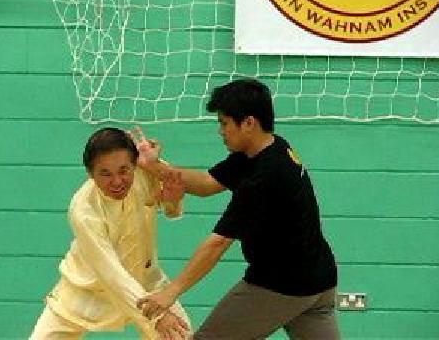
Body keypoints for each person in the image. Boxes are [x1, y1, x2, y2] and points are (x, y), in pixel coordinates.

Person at [135, 79, 340, 339]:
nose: (221, 131)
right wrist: (153, 166)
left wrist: (171, 291)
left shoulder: (263, 178)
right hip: (319, 284)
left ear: (249, 123)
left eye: (224, 123)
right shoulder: (271, 148)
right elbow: (207, 183)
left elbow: (217, 244)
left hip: (281, 286)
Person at [30, 127, 191, 340]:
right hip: (86, 292)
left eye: (124, 170)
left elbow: (171, 205)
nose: (117, 182)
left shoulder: (144, 172)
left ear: (134, 164)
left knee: (181, 336)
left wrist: (162, 178)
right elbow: (111, 273)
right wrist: (157, 315)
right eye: (105, 173)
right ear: (90, 173)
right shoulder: (82, 209)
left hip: (146, 282)